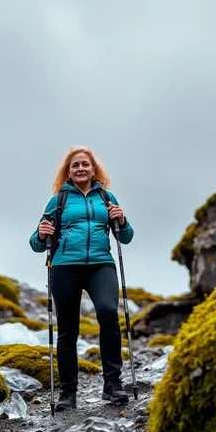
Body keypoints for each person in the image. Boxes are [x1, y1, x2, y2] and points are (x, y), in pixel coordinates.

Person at [29, 146, 134, 411]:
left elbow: (126, 236)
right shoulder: (58, 201)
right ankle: (68, 392)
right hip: (65, 267)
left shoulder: (106, 197)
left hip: (101, 264)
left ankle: (113, 385)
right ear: (68, 171)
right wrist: (41, 234)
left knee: (109, 313)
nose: (80, 169)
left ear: (93, 168)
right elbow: (37, 244)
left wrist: (122, 219)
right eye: (75, 165)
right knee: (68, 329)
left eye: (85, 164)